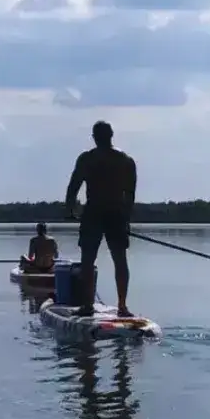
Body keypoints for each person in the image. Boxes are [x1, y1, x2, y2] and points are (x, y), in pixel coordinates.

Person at [64, 120, 137, 317]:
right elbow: (130, 195)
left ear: (95, 137)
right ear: (111, 135)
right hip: (116, 214)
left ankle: (88, 305)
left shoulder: (87, 159)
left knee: (88, 261)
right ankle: (122, 306)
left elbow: (73, 187)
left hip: (94, 212)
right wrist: (126, 219)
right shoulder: (126, 161)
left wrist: (70, 209)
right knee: (119, 260)